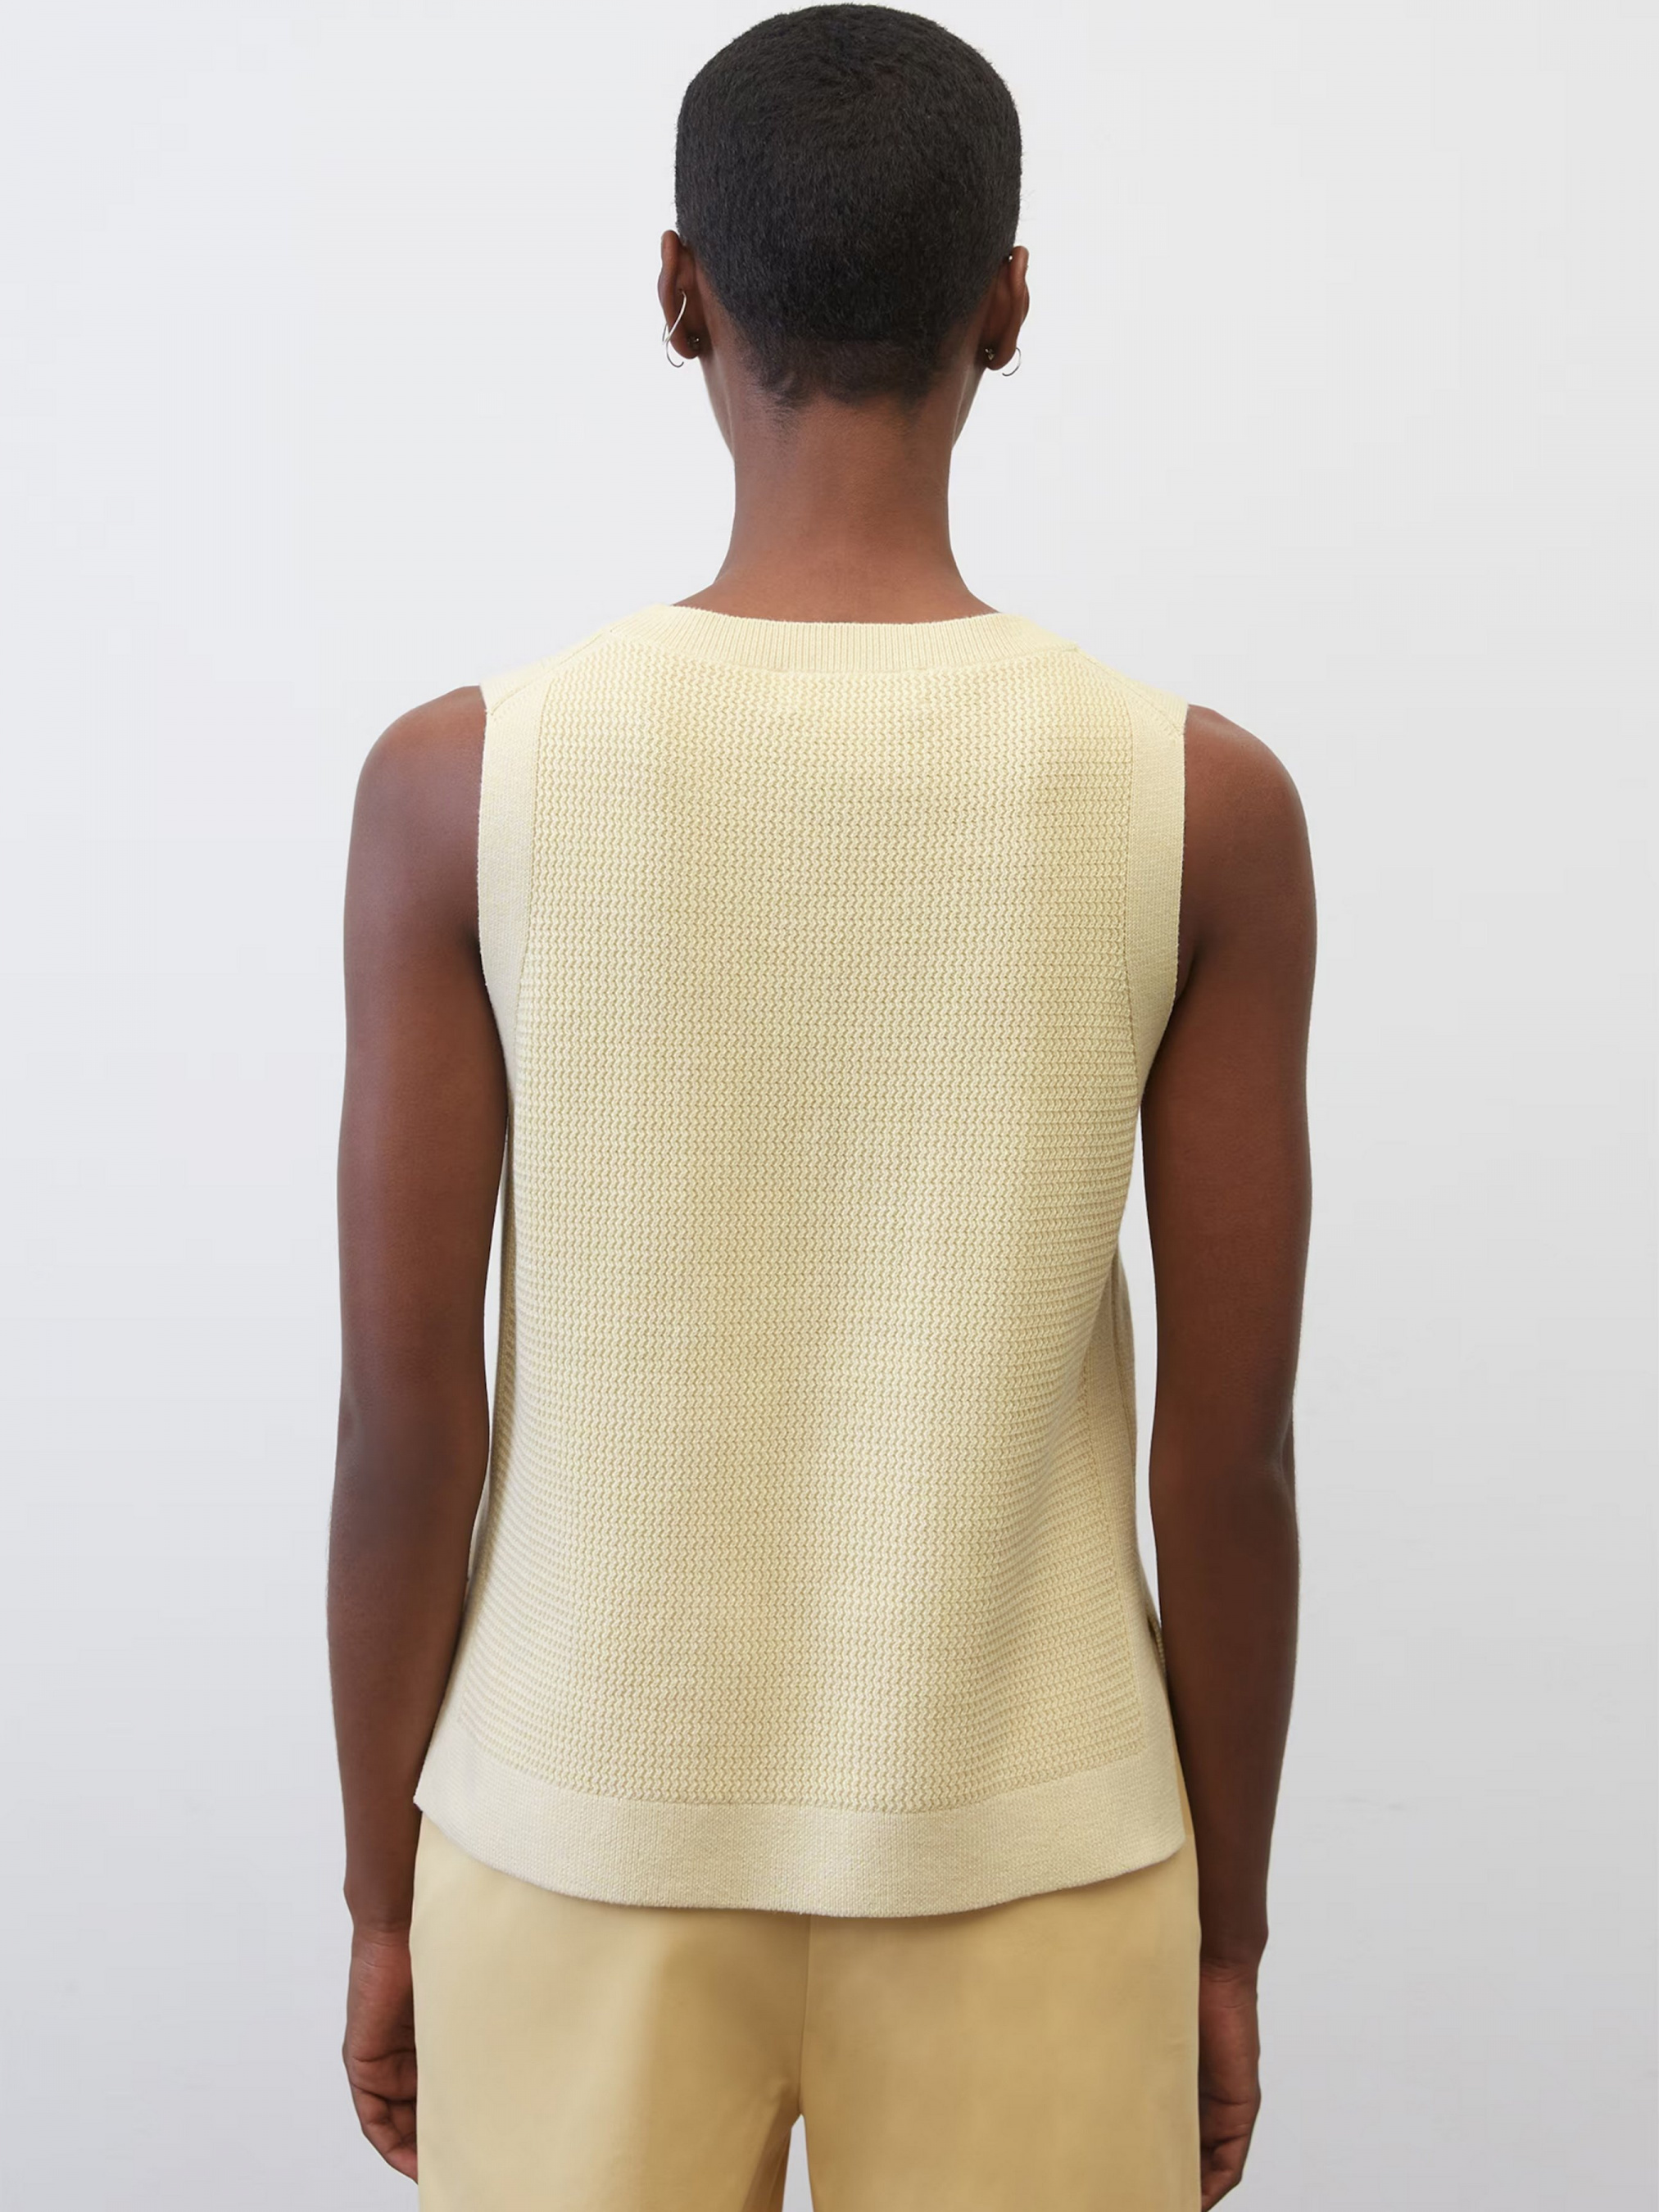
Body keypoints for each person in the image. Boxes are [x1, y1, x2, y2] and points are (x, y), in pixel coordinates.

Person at [328, 7, 1313, 2207]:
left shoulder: (462, 787)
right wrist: (1225, 1933)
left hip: (570, 1835)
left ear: (680, 290)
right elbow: (1228, 1453)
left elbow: (405, 1423)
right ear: (1007, 304)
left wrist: (385, 1893)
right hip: (1040, 1850)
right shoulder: (1196, 802)